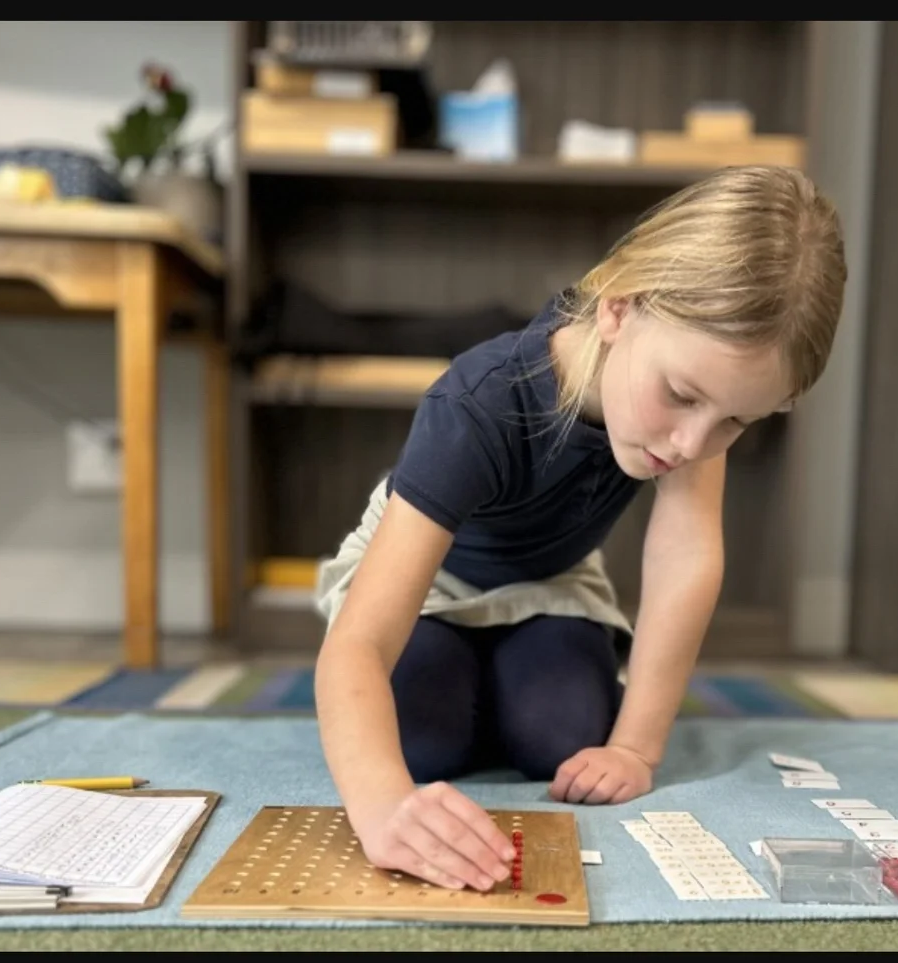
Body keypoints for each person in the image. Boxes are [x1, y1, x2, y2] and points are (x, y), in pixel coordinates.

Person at [312, 163, 847, 895]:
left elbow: (688, 555)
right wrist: (379, 807)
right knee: (418, 739)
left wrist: (636, 746)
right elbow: (359, 645)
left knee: (564, 741)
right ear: (619, 310)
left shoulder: (695, 404)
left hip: (551, 582)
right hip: (430, 584)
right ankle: (467, 677)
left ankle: (498, 679)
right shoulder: (479, 404)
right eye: (682, 396)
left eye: (735, 422)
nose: (692, 444)